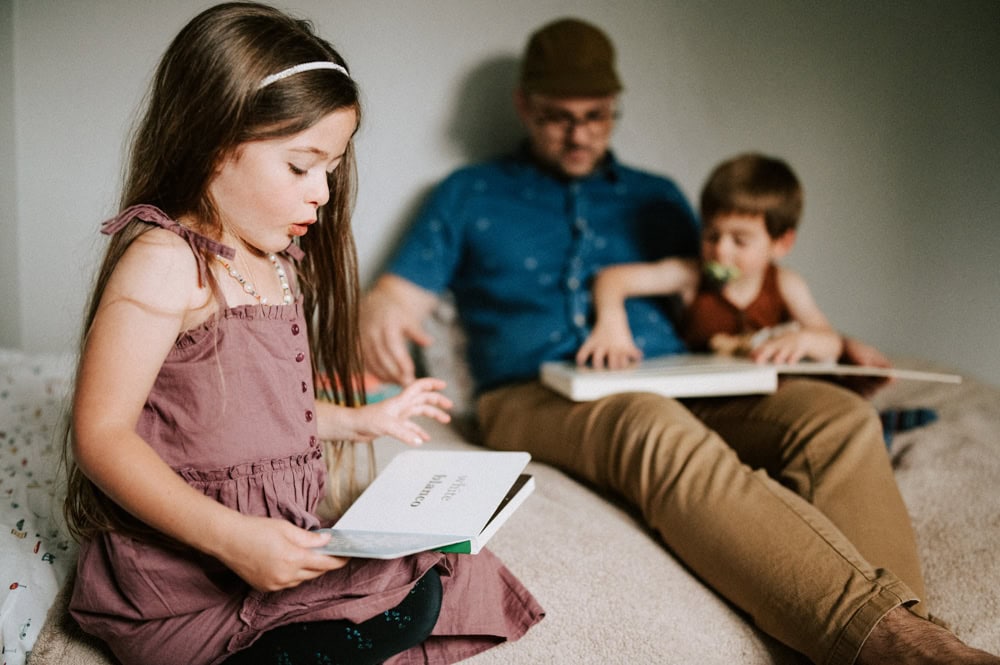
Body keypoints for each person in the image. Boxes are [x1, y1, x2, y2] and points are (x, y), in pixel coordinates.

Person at [360, 16, 999, 665]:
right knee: (647, 421)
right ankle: (894, 644)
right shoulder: (467, 193)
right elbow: (394, 297)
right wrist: (379, 310)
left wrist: (833, 343)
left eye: (597, 115)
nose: (580, 132)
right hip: (533, 390)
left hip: (680, 374)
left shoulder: (658, 198)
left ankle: (917, 642)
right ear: (524, 106)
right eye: (558, 116)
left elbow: (734, 294)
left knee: (836, 417)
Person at [60, 4, 542, 665]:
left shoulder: (277, 262)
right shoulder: (168, 260)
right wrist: (232, 538)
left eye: (332, 167)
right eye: (300, 165)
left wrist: (361, 420)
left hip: (274, 542)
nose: (321, 191)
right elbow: (102, 434)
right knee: (394, 597)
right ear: (213, 140)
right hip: (187, 582)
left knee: (444, 565)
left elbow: (255, 415)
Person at [575, 152, 845, 370]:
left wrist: (805, 340)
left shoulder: (785, 283)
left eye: (740, 241)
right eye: (712, 236)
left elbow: (830, 342)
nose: (721, 251)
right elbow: (611, 278)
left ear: (781, 244)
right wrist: (612, 324)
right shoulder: (691, 276)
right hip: (704, 397)